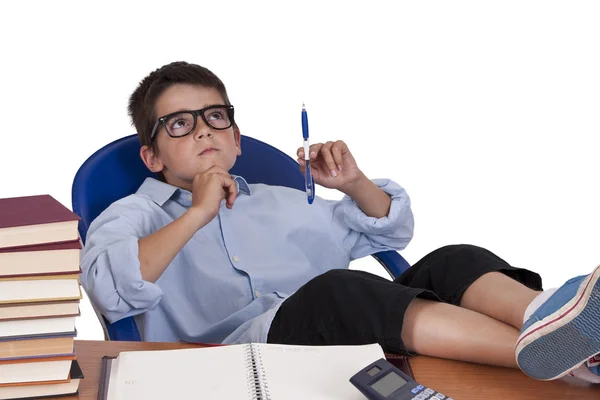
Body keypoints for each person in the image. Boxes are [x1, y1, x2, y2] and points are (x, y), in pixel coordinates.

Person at [80, 61, 600, 383]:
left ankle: (555, 322)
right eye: (179, 124)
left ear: (236, 138)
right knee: (337, 290)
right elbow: (108, 289)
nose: (202, 131)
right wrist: (197, 213)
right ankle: (566, 358)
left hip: (350, 329)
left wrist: (354, 184)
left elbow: (389, 231)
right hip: (237, 359)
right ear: (153, 157)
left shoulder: (285, 200)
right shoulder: (131, 215)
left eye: (215, 117)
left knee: (451, 258)